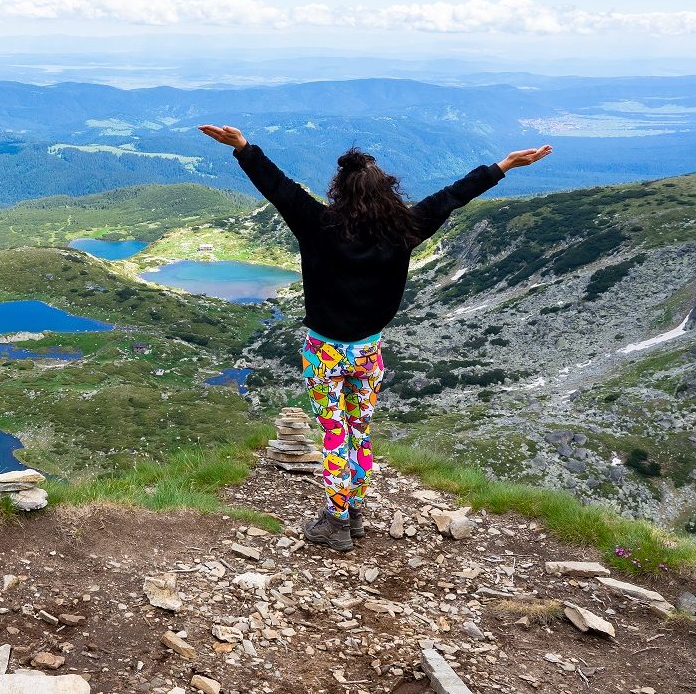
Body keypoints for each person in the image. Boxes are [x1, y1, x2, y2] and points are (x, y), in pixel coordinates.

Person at [197, 124, 552, 552]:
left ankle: (336, 520)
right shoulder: (405, 227)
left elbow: (281, 189)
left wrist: (244, 148)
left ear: (339, 190)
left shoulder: (318, 224)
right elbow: (453, 196)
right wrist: (504, 166)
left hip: (324, 350)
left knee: (334, 434)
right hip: (368, 350)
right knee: (359, 430)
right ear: (385, 190)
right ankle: (356, 509)